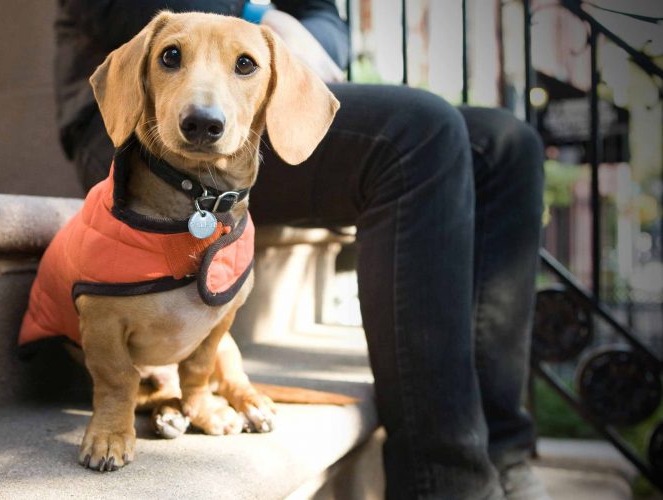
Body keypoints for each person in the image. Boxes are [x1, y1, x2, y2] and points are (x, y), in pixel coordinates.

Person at [55, 1, 548, 498]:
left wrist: (287, 42)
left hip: (252, 109)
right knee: (423, 131)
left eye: (245, 61)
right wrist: (255, 16)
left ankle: (504, 454)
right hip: (133, 121)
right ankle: (445, 485)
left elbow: (327, 24)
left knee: (507, 145)